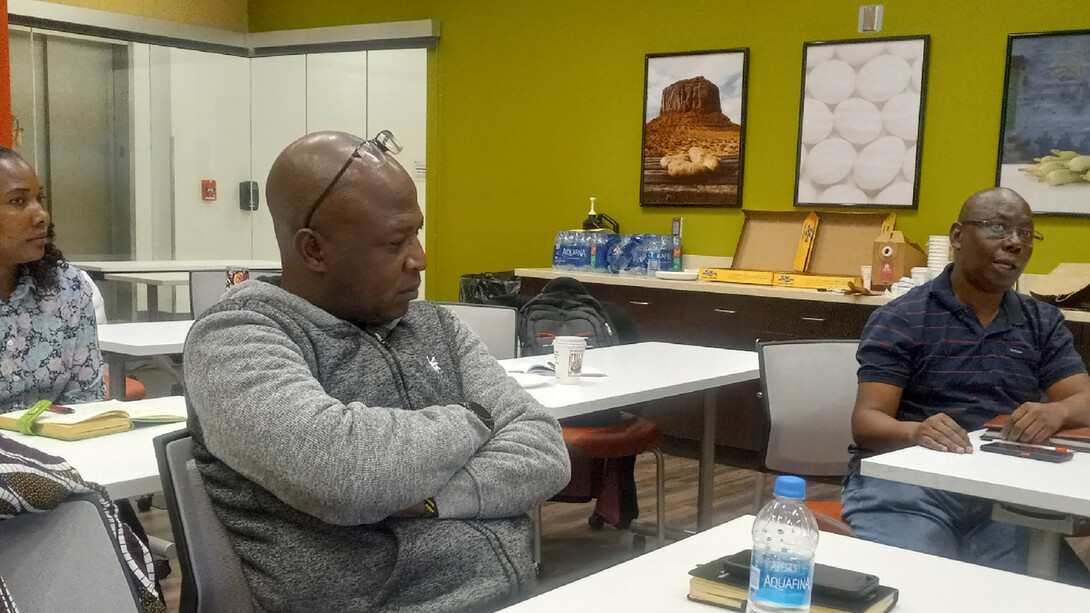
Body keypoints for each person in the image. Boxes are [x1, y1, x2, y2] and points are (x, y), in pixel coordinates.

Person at [183, 130, 571, 612]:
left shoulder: (435, 326)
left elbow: (545, 451)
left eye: (417, 232)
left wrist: (430, 499)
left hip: (508, 595)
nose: (420, 259)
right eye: (393, 242)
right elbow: (345, 474)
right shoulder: (237, 337)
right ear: (313, 251)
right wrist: (473, 417)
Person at [842, 187, 1090, 577]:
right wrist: (915, 432)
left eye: (1026, 234)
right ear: (957, 237)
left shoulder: (1042, 322)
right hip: (908, 491)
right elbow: (868, 421)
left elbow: (1083, 399)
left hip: (1002, 492)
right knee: (925, 591)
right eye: (997, 227)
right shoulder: (903, 317)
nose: (1014, 243)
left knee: (1060, 596)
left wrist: (1056, 411)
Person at [0, 146, 103, 412]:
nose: (41, 215)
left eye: (39, 198)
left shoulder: (68, 289)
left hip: (55, 450)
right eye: (18, 201)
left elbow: (86, 404)